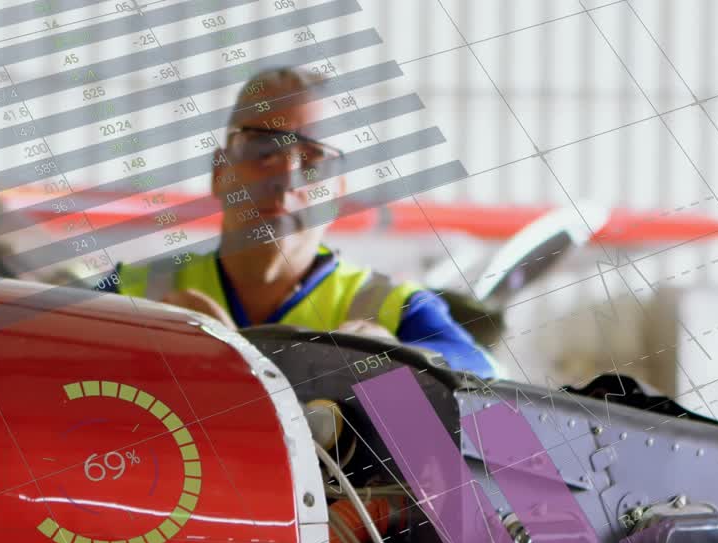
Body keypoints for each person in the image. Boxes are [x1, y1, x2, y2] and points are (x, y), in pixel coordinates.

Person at [113, 66, 500, 378]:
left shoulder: (389, 308)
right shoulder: (133, 295)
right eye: (261, 147)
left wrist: (397, 356)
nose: (286, 176)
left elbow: (488, 373)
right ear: (220, 172)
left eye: (313, 160)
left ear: (338, 195)